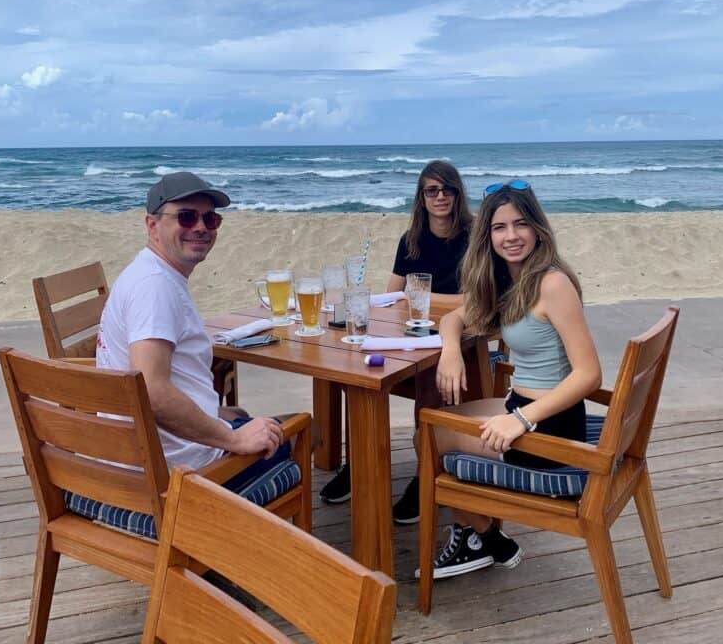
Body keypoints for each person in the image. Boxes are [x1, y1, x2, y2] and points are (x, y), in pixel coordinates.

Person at [422, 179, 602, 579]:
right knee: (436, 421)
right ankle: (478, 537)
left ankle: (483, 537)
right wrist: (451, 351)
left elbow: (590, 373)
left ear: (538, 227)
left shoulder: (551, 282)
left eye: (520, 224)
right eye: (499, 227)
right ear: (486, 235)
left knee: (430, 436)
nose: (511, 236)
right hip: (523, 406)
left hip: (547, 427)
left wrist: (520, 420)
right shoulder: (508, 279)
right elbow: (454, 318)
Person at [97, 171, 288, 479]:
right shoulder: (154, 287)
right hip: (179, 471)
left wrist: (214, 414)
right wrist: (233, 438)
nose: (200, 227)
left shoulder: (148, 272)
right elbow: (152, 390)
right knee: (298, 432)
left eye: (210, 219)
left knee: (244, 417)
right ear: (152, 225)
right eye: (186, 217)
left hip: (139, 453)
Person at [320, 160, 474, 523]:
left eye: (447, 189)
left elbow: (475, 300)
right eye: (431, 190)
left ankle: (425, 476)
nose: (440, 197)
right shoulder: (412, 239)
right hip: (410, 330)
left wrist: (421, 298)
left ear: (457, 193)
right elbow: (393, 294)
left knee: (426, 380)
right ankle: (357, 463)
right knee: (349, 367)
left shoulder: (472, 237)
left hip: (458, 335)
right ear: (421, 197)